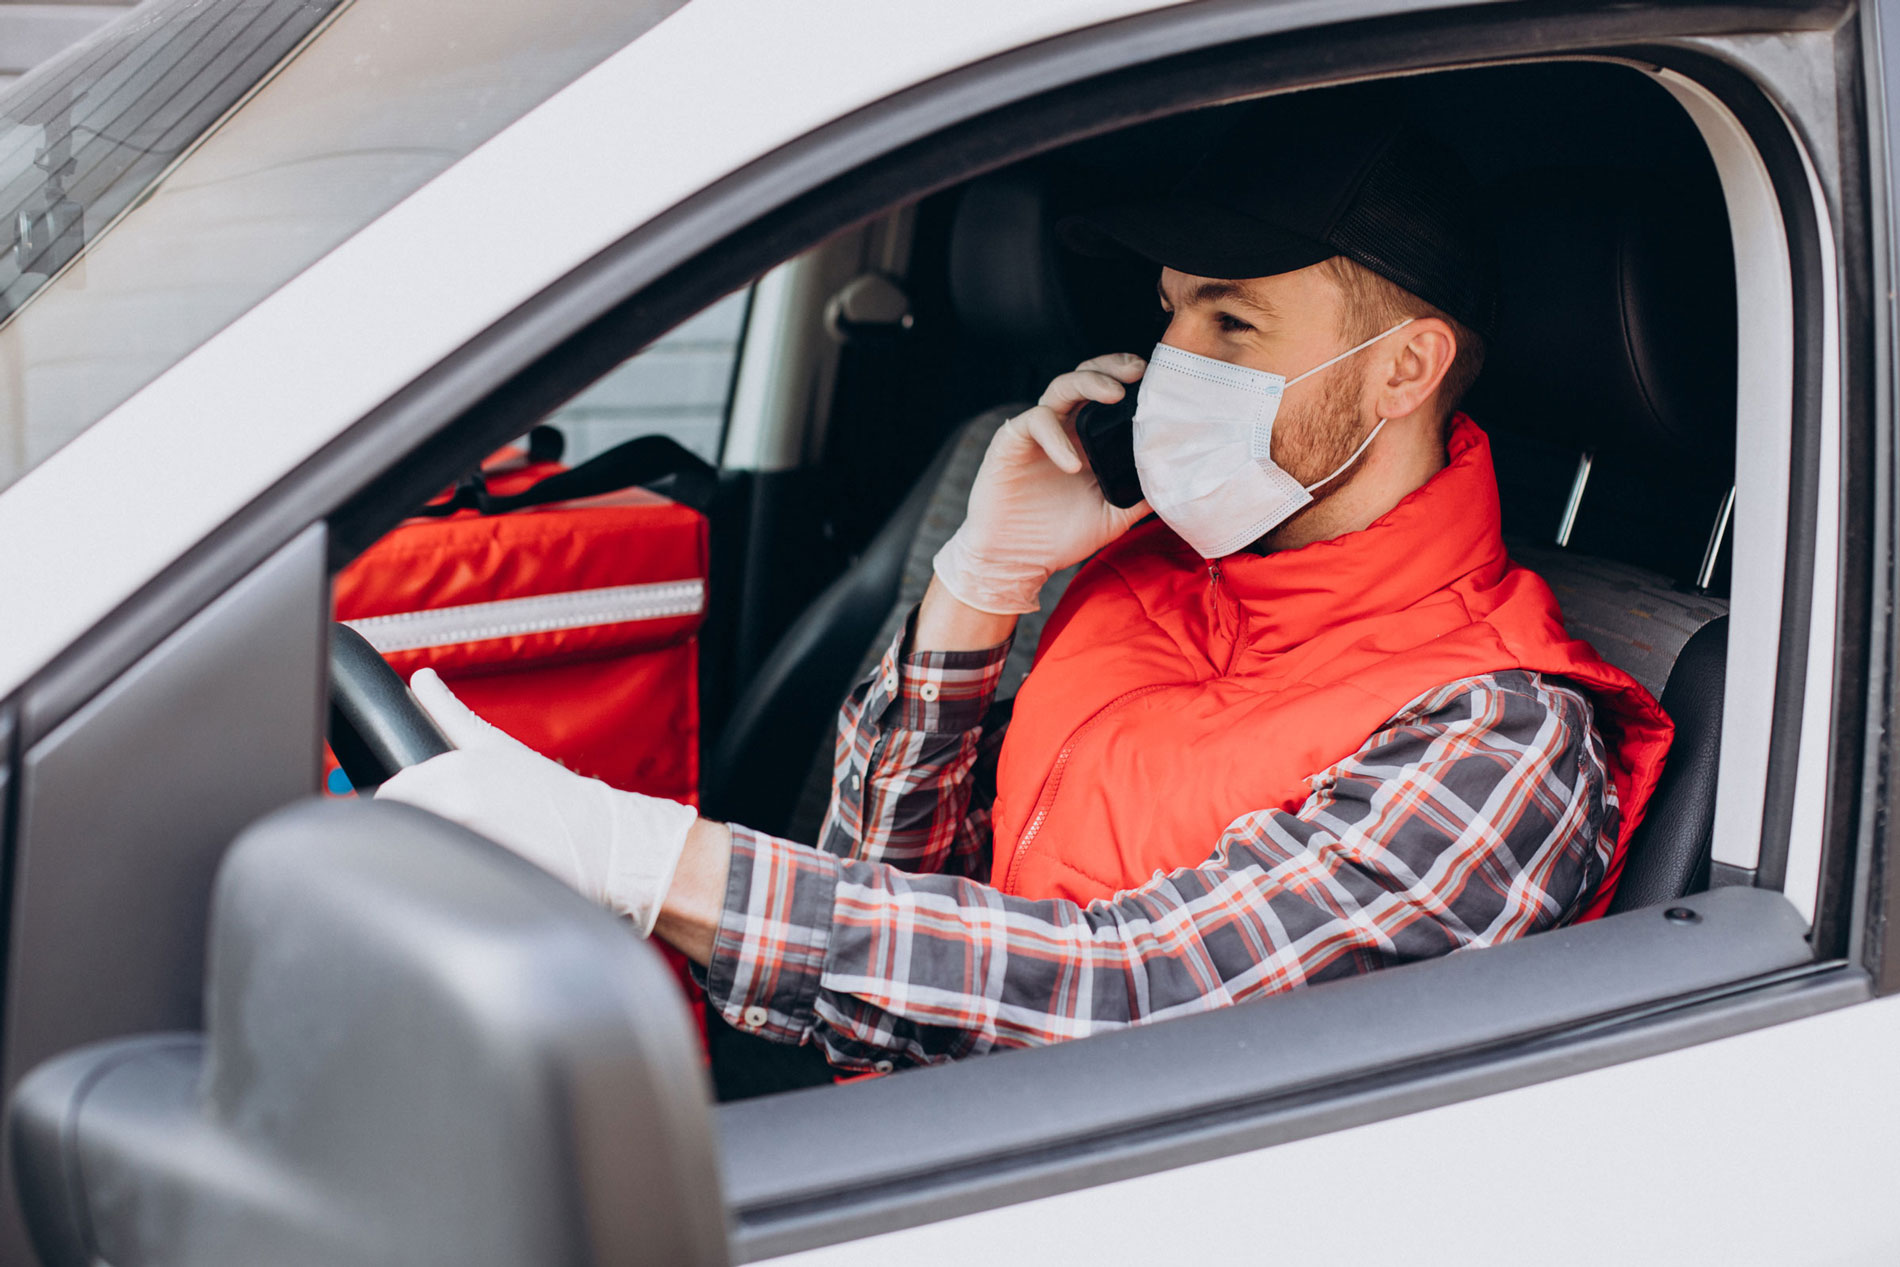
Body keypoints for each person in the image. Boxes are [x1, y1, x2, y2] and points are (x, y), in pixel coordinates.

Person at [380, 101, 1673, 1074]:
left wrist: (640, 855)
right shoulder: (1135, 571)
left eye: (1231, 325)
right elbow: (886, 880)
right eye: (1169, 315)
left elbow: (1135, 1006)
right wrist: (975, 592)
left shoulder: (1497, 733)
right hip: (915, 1123)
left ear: (1405, 371)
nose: (1174, 363)